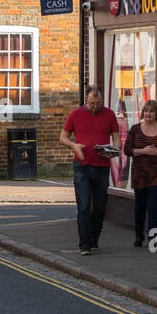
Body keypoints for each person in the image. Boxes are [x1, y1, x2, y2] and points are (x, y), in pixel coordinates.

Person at [60, 86, 120, 255]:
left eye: (98, 103)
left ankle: (94, 240)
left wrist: (114, 151)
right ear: (85, 100)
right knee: (84, 205)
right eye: (91, 103)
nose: (95, 106)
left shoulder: (109, 114)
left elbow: (116, 137)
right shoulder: (75, 115)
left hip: (102, 166)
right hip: (82, 167)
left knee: (100, 207)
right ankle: (84, 245)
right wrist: (74, 146)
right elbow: (63, 137)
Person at [124, 100, 157, 249]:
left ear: (156, 113)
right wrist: (143, 151)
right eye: (146, 111)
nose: (148, 114)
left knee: (153, 206)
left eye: (151, 111)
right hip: (140, 174)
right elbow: (127, 149)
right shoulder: (135, 129)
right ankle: (139, 235)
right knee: (140, 206)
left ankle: (154, 240)